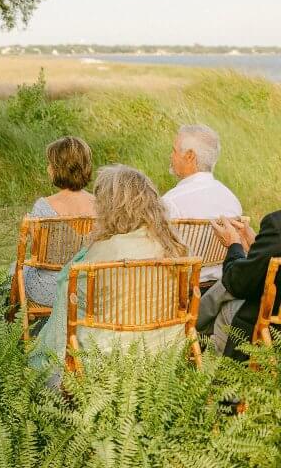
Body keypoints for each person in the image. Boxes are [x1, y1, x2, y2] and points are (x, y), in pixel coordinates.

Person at [29, 165, 188, 383]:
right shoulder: (173, 249)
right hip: (165, 355)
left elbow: (64, 315)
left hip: (110, 365)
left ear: (109, 207)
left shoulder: (98, 257)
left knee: (51, 361)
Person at [10, 136, 95, 307]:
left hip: (49, 290)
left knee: (14, 269)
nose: (48, 168)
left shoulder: (43, 207)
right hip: (87, 288)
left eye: (50, 164)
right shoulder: (100, 205)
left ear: (59, 169)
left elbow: (37, 251)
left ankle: (9, 319)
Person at [161, 124, 242, 284]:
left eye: (174, 150)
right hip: (221, 286)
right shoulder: (231, 199)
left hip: (182, 291)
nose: (171, 156)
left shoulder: (171, 201)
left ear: (190, 156)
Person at [198, 214, 280, 360]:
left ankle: (219, 375)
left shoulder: (277, 223)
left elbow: (238, 283)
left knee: (229, 304)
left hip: (271, 325)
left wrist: (234, 245)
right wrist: (259, 246)